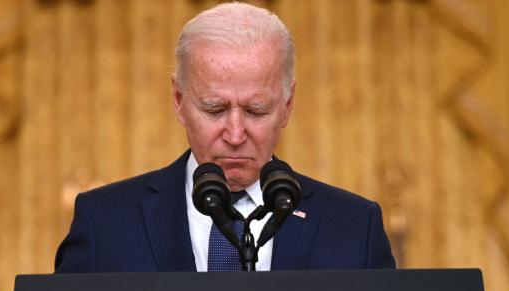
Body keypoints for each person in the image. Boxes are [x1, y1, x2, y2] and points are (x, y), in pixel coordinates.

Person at [54, 2, 395, 273]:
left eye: (256, 110)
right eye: (215, 109)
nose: (235, 135)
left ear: (288, 105)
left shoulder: (353, 228)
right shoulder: (106, 223)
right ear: (179, 100)